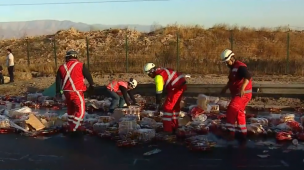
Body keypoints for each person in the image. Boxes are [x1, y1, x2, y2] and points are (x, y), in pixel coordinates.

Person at [56, 49, 94, 133]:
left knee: (71, 108)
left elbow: (58, 80)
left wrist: (58, 91)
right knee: (81, 110)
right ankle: (74, 128)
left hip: (66, 92)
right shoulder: (80, 65)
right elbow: (88, 75)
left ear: (67, 57)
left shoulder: (62, 67)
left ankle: (71, 123)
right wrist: (92, 85)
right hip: (77, 91)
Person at [143, 63, 188, 135]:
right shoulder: (162, 70)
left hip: (176, 87)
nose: (149, 76)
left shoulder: (158, 76)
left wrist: (158, 105)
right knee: (175, 107)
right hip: (181, 84)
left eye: (148, 74)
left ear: (151, 71)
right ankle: (174, 125)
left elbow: (159, 92)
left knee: (167, 108)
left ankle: (167, 129)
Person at [219, 49, 252, 141]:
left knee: (232, 109)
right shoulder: (233, 68)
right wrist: (225, 88)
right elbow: (231, 81)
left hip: (243, 94)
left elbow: (247, 77)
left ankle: (230, 133)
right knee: (239, 112)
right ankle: (243, 133)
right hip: (237, 94)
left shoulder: (240, 66)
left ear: (232, 58)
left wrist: (242, 88)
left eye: (227, 61)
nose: (226, 64)